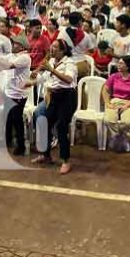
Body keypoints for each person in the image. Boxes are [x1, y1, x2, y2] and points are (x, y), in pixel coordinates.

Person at [29, 39, 78, 174]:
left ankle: (65, 161)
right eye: (51, 47)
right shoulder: (51, 61)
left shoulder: (70, 63)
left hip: (67, 97)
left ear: (63, 50)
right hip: (53, 96)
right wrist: (33, 80)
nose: (51, 49)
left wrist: (52, 70)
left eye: (55, 47)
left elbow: (68, 79)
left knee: (61, 127)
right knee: (43, 121)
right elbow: (45, 78)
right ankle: (45, 155)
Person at [0, 32, 32, 155]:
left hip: (18, 94)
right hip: (9, 91)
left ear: (22, 46)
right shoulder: (13, 55)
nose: (13, 45)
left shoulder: (24, 57)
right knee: (8, 118)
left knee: (16, 119)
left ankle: (21, 146)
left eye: (16, 43)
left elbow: (6, 65)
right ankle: (8, 141)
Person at [102, 55, 130, 150]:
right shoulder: (114, 77)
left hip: (129, 102)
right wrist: (107, 103)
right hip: (115, 100)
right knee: (108, 120)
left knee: (127, 122)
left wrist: (128, 105)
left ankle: (117, 137)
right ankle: (120, 136)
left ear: (127, 66)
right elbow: (105, 90)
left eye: (121, 63)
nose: (118, 65)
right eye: (118, 63)